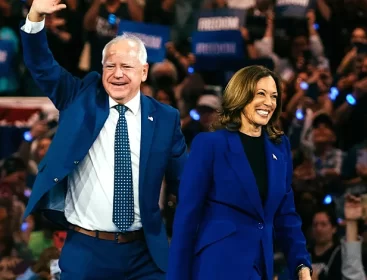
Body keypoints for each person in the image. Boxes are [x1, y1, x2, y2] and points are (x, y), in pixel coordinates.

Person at [19, 0, 187, 278]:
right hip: (87, 252)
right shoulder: (79, 98)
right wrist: (35, 15)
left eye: (127, 67)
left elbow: (186, 184)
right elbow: (41, 65)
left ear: (144, 72)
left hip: (146, 254)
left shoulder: (166, 119)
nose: (118, 74)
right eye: (111, 66)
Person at [167, 65, 312, 280]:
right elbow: (187, 217)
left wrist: (301, 263)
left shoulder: (279, 148)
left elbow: (286, 214)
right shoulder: (210, 145)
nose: (269, 103)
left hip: (260, 266)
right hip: (217, 265)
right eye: (260, 94)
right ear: (241, 95)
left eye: (274, 96)